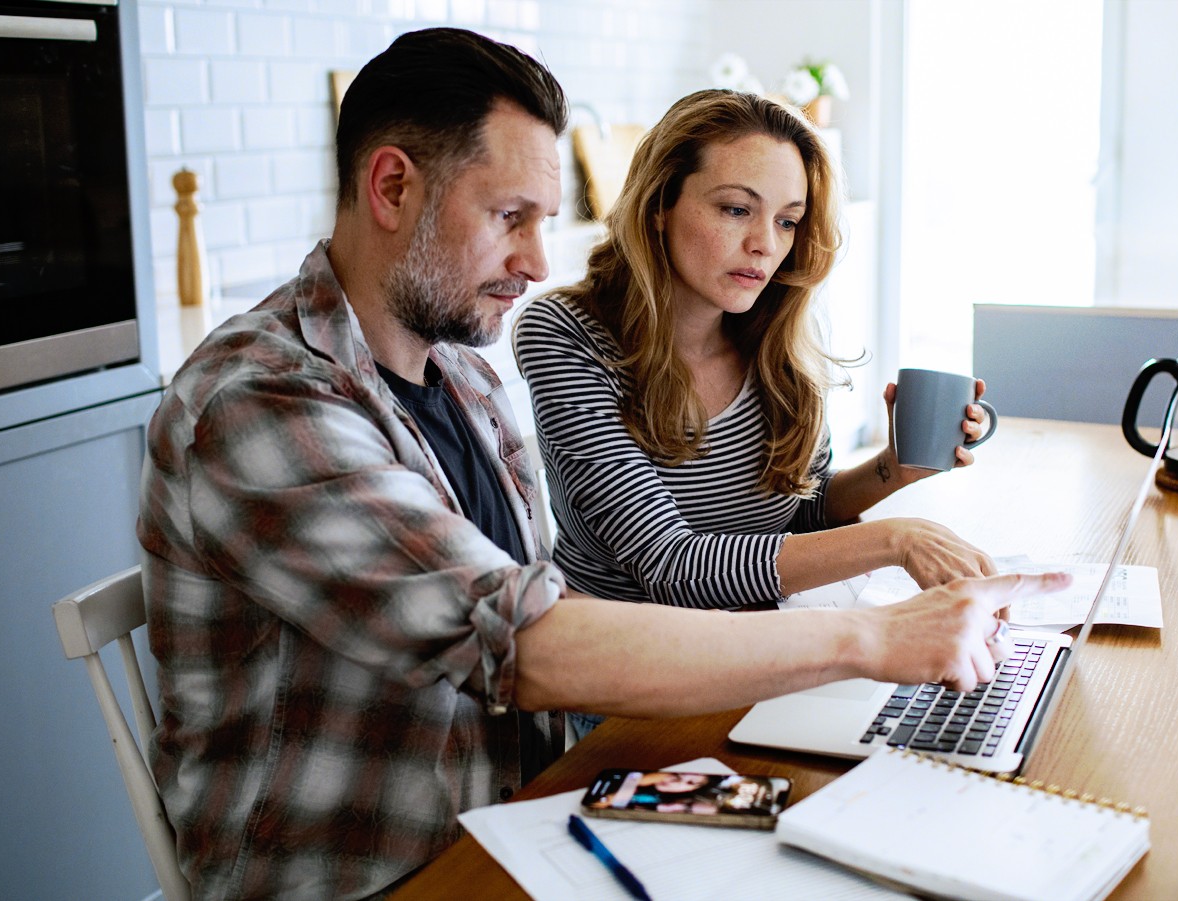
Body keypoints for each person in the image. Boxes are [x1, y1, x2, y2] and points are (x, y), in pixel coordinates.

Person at [138, 28, 1067, 901]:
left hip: (535, 808)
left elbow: (550, 601)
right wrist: (875, 638)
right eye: (511, 217)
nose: (539, 261)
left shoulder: (460, 370)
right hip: (382, 868)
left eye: (546, 221)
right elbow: (527, 641)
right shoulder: (261, 399)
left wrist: (891, 493)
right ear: (392, 187)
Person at [513, 90, 998, 738]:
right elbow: (671, 566)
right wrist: (895, 538)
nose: (764, 246)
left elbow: (799, 514)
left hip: (775, 662)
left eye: (787, 220)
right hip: (631, 702)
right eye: (737, 208)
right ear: (660, 205)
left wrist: (894, 470)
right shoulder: (565, 334)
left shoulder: (771, 334)